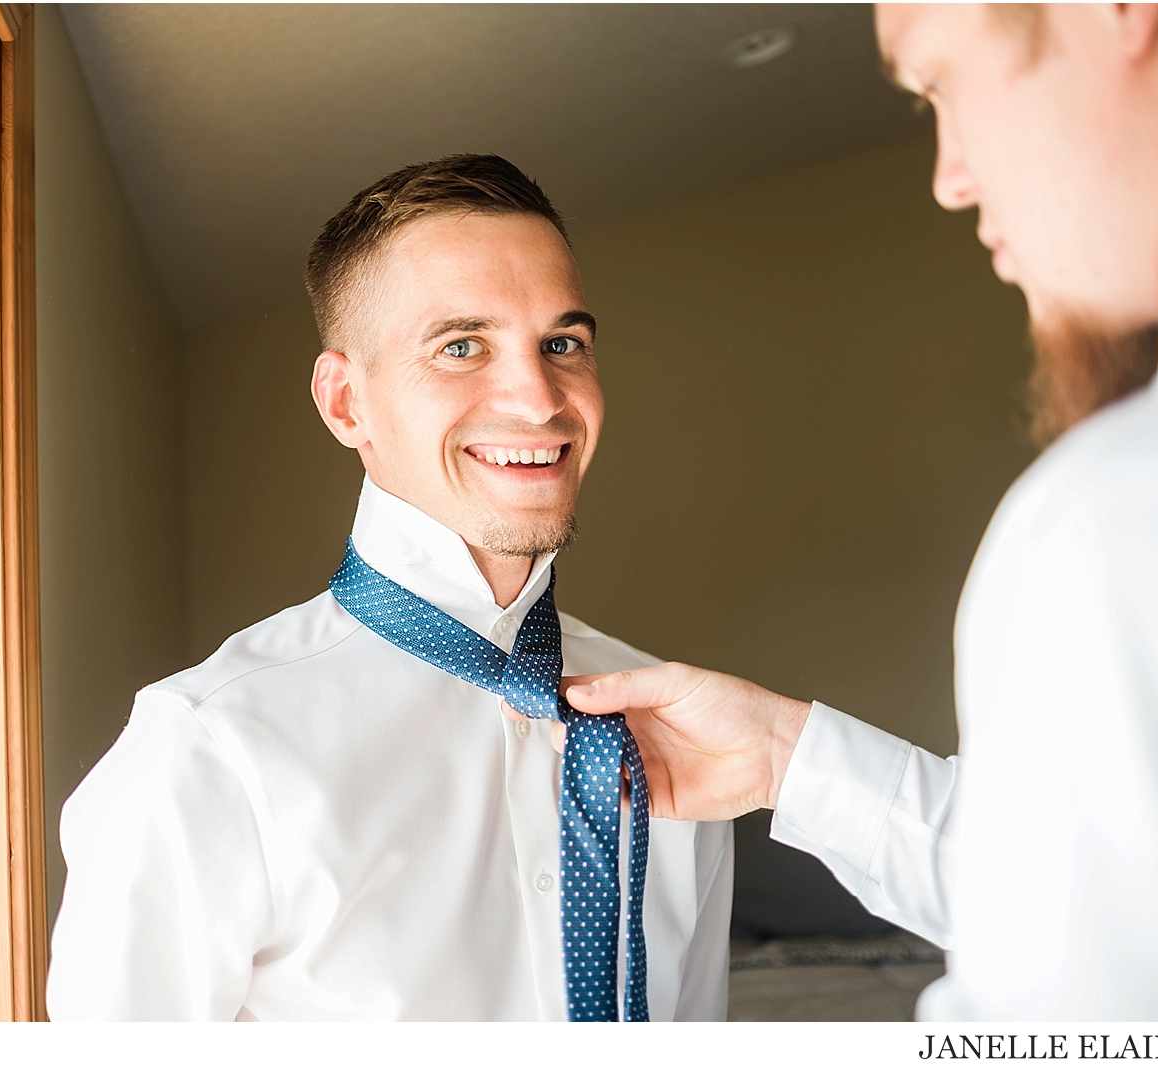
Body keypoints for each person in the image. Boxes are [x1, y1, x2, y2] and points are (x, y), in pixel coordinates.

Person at [561, 4, 1158, 1020]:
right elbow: (1102, 897)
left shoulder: (1123, 516)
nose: (947, 176)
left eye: (940, 85)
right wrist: (784, 757)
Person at [44, 155, 733, 1021]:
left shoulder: (671, 734)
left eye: (562, 344)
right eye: (460, 346)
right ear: (346, 405)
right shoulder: (208, 751)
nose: (537, 398)